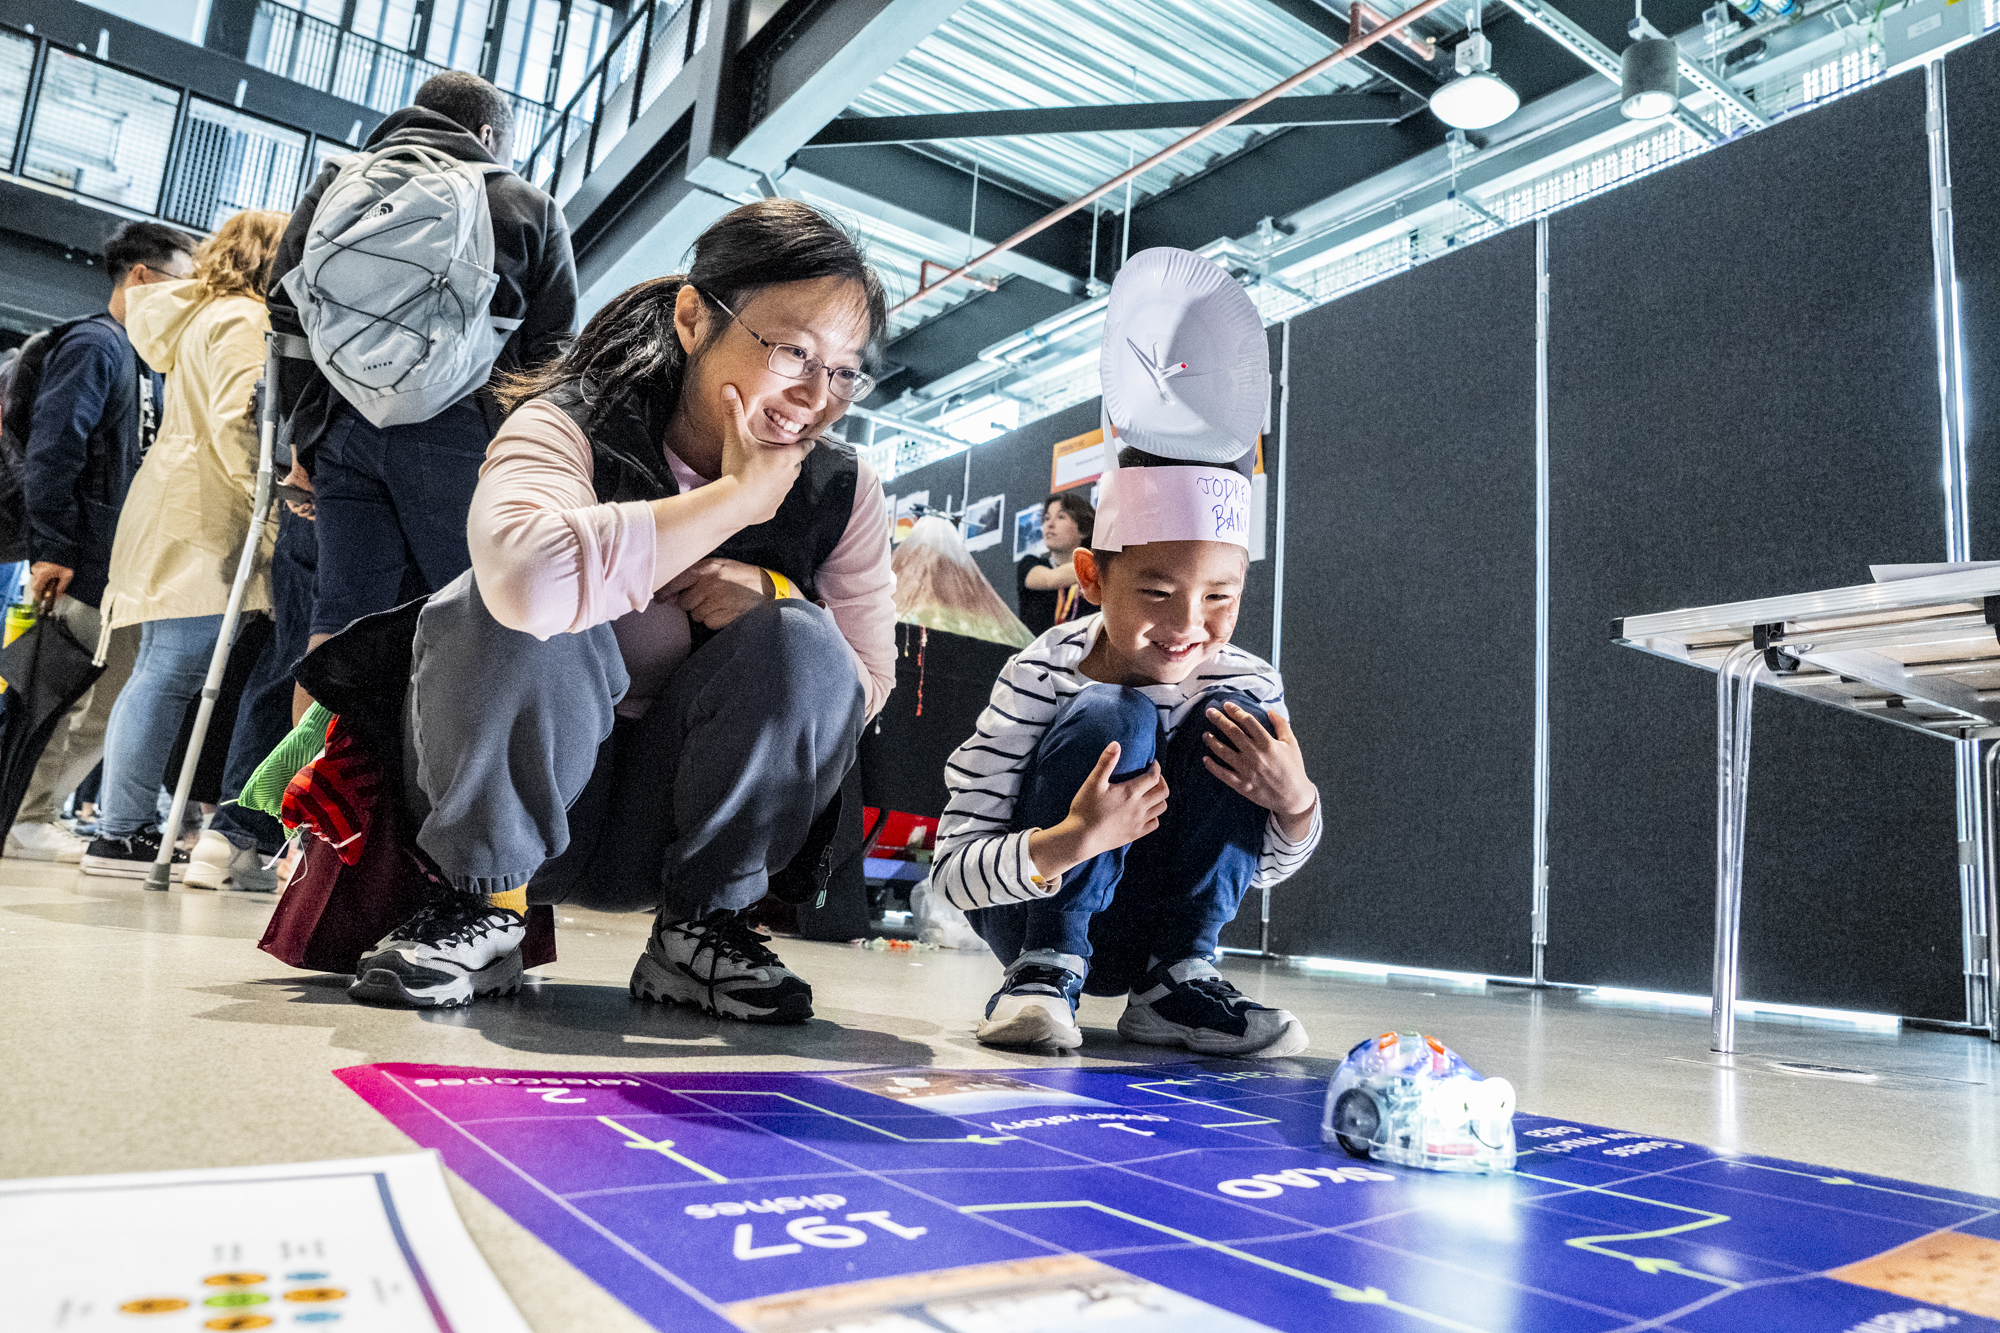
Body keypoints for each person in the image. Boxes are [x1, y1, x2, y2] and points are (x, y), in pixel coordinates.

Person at [337, 199, 895, 1016]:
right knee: (504, 602)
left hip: (678, 824)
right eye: (791, 351)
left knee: (806, 640)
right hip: (517, 803)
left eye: (843, 370)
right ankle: (487, 916)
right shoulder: (568, 423)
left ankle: (701, 930)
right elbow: (524, 579)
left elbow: (866, 682)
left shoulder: (845, 490)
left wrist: (772, 595)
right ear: (694, 316)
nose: (816, 394)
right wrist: (736, 499)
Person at [933, 248, 1320, 1058]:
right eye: (1154, 592)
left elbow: (1260, 868)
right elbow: (952, 871)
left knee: (1235, 717)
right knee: (1116, 708)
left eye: (1219, 596)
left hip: (1154, 926)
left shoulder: (1248, 677)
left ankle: (1178, 982)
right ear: (1091, 575)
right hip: (1036, 901)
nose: (1188, 624)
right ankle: (1045, 970)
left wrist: (1294, 805)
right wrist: (1070, 839)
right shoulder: (1038, 670)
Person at [267, 70, 576, 651]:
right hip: (463, 438)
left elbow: (287, 322)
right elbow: (551, 356)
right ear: (487, 133)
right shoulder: (526, 204)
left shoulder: (333, 187)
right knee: (483, 620)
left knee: (339, 628)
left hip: (343, 431)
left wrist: (303, 441)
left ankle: (322, 746)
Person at [80, 210, 289, 879]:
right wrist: (272, 508)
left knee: (160, 675)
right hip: (209, 519)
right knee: (168, 677)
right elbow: (239, 428)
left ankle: (129, 821)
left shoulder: (205, 315)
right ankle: (121, 830)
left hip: (181, 508)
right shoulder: (244, 320)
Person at [7, 221, 195, 862]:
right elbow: (54, 449)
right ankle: (26, 816)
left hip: (120, 562)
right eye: (182, 281)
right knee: (60, 694)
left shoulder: (149, 359)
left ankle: (37, 812)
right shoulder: (95, 344)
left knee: (101, 699)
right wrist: (52, 546)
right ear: (142, 276)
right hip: (83, 557)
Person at [1015, 491, 1094, 635]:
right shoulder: (1030, 564)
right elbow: (1051, 579)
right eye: (1046, 518)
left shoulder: (1101, 575)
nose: (1049, 524)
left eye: (1061, 517)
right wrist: (1096, 571)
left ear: (1083, 529)